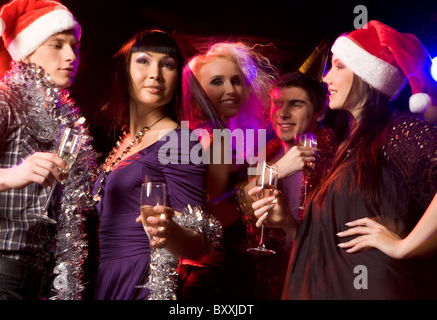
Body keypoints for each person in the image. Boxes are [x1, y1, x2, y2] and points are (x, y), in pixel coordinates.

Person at [250, 20, 437, 299]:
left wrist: (405, 246)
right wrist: (288, 222)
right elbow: (331, 242)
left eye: (339, 66)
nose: (326, 78)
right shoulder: (345, 146)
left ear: (367, 76)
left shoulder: (398, 132)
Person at [91, 29, 220, 300]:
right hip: (108, 275)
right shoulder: (125, 139)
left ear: (178, 79)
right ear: (124, 70)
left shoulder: (180, 142)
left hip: (144, 281)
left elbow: (198, 244)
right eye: (144, 61)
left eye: (168, 65)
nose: (155, 74)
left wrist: (169, 230)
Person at [0, 0, 97, 300]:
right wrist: (13, 176)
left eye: (74, 45)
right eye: (57, 45)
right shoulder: (2, 99)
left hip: (35, 283)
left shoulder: (64, 123)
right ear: (28, 51)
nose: (71, 56)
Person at [178, 41, 274, 299]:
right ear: (197, 91)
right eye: (218, 82)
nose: (230, 90)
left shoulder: (202, 133)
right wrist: (251, 197)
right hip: (215, 274)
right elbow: (207, 218)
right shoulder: (214, 137)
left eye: (236, 81)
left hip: (210, 271)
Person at [240, 71, 338, 299]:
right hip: (269, 286)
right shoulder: (262, 159)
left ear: (320, 111)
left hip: (321, 285)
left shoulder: (336, 162)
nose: (282, 114)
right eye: (277, 104)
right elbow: (242, 207)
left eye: (295, 105)